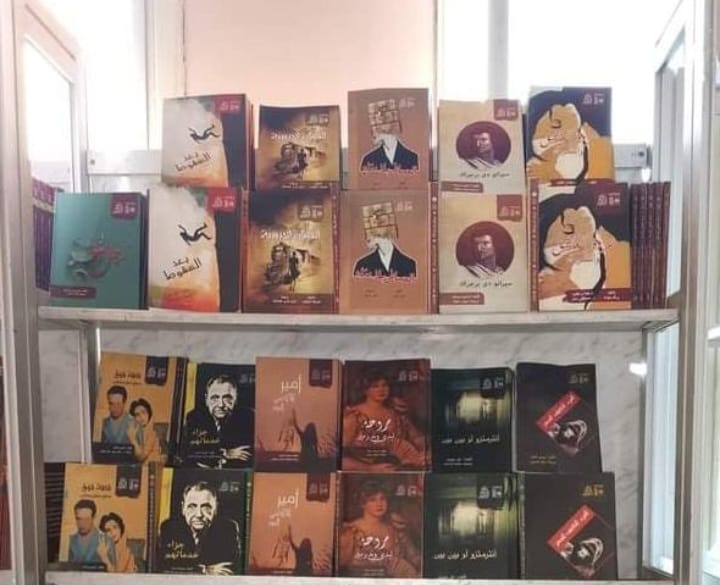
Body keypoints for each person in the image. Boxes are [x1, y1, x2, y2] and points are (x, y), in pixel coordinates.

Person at [342, 372, 425, 471]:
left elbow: (417, 437)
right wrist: (369, 468)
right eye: (375, 386)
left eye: (384, 385)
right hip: (367, 468)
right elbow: (341, 457)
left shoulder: (396, 411)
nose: (381, 390)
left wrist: (424, 452)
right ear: (365, 390)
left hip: (402, 466)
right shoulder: (355, 415)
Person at [339, 480, 420, 577]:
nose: (379, 504)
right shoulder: (351, 530)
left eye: (383, 499)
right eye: (372, 500)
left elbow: (414, 557)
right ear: (362, 504)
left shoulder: (394, 529)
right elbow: (342, 564)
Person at [157, 481, 242, 575]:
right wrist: (204, 570)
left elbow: (230, 570)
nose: (199, 514)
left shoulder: (228, 529)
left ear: (215, 509)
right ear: (183, 508)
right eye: (192, 507)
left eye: (206, 507)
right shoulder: (169, 528)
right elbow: (165, 568)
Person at [182, 375, 253, 467]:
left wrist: (212, 453)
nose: (221, 404)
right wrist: (225, 453)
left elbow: (246, 456)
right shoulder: (195, 417)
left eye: (227, 398)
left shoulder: (248, 417)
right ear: (206, 399)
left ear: (235, 399)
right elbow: (193, 452)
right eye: (215, 398)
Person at [68, 499, 116, 568]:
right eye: (78, 519)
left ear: (94, 518)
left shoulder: (107, 540)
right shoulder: (72, 540)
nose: (82, 524)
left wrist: (104, 557)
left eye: (86, 519)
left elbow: (114, 571)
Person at [127, 398, 163, 463]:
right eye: (137, 414)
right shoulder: (135, 433)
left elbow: (141, 457)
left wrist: (132, 439)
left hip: (151, 467)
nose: (141, 417)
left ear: (148, 414)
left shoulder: (152, 434)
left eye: (143, 412)